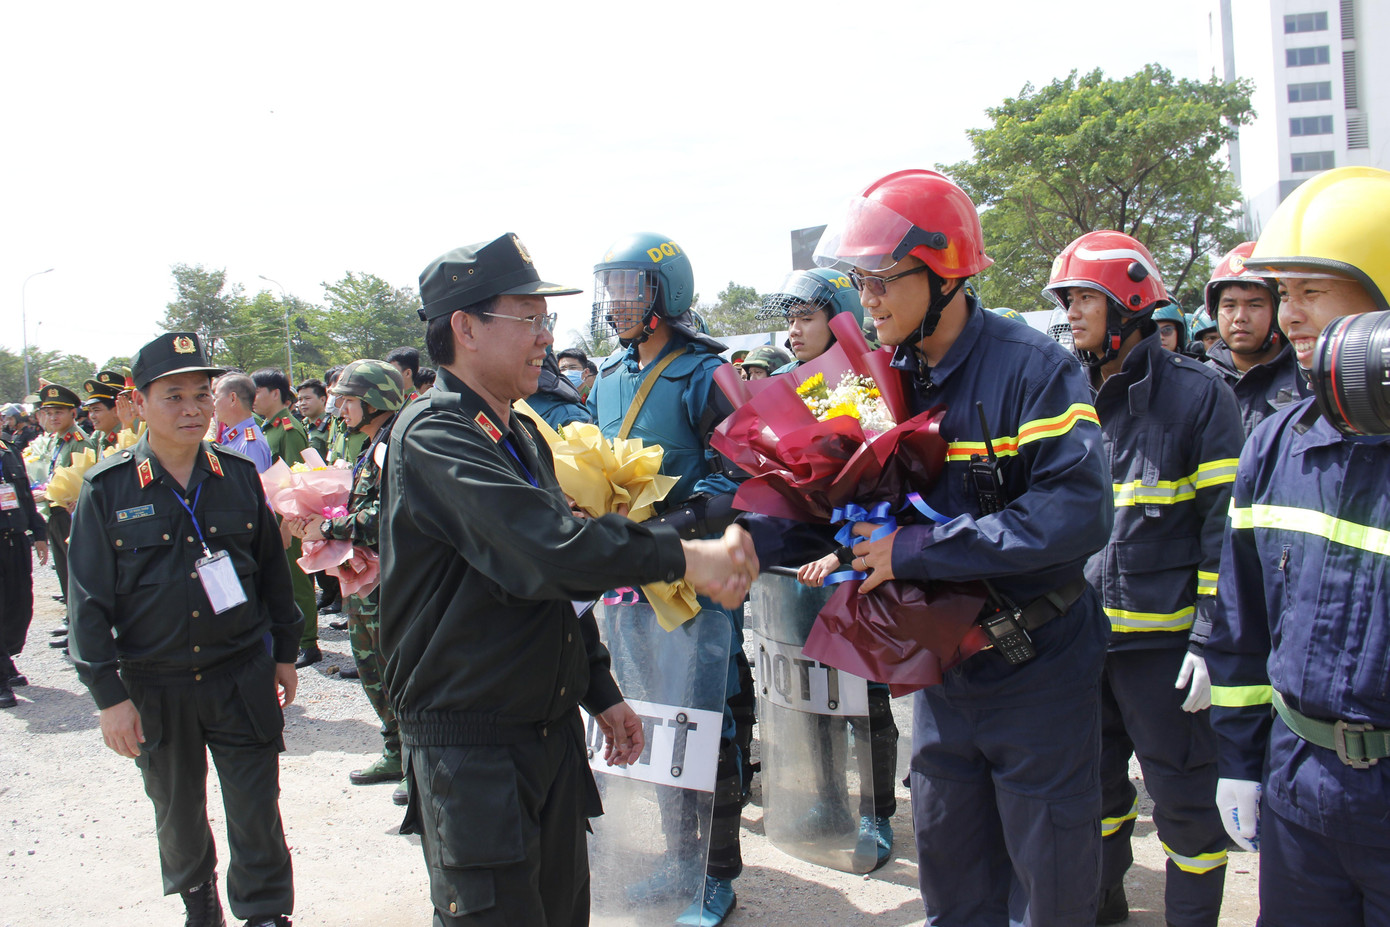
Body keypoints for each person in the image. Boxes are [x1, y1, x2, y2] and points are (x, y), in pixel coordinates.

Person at [380, 232, 757, 927]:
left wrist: (599, 688)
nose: (545, 337)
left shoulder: (513, 431)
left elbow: (556, 585)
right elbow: (548, 550)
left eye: (546, 320)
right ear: (464, 327)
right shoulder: (437, 436)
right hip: (475, 745)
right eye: (528, 319)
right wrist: (685, 556)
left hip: (543, 730)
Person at [808, 169, 1113, 925]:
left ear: (944, 274)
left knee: (1050, 889)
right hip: (943, 676)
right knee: (951, 879)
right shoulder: (879, 378)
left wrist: (914, 550)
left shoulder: (1035, 369)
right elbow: (843, 491)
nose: (866, 298)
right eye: (858, 281)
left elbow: (1075, 516)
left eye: (882, 280)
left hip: (1037, 667)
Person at [1206, 166, 1390, 926]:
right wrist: (1241, 763)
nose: (1291, 315)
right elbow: (1243, 621)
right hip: (1298, 782)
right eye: (1284, 293)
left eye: (1311, 291)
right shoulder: (1277, 442)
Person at [67, 332, 300, 927]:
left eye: (202, 393)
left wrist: (285, 652)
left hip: (240, 671)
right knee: (177, 810)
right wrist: (108, 698)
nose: (193, 407)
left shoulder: (240, 475)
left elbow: (271, 573)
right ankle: (200, 904)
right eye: (174, 396)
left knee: (255, 804)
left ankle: (267, 913)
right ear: (137, 403)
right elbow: (87, 604)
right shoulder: (108, 487)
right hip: (156, 681)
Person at [1044, 230, 1241, 927]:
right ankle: (1104, 910)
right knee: (1093, 799)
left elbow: (1225, 531)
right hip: (1080, 645)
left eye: (1082, 298)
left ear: (1128, 302)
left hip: (1165, 656)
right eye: (1065, 299)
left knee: (1187, 810)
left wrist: (1211, 641)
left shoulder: (1199, 397)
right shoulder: (1062, 391)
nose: (1069, 312)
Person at [589, 231, 750, 927]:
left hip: (691, 581)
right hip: (629, 585)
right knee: (650, 719)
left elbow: (741, 476)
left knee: (707, 722)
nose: (616, 303)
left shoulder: (710, 374)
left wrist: (675, 521)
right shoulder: (605, 376)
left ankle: (717, 872)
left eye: (630, 287)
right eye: (611, 287)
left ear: (665, 293)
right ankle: (675, 859)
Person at [758, 265, 900, 866]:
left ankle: (876, 813)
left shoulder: (869, 384)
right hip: (795, 572)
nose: (793, 331)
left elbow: (894, 484)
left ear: (838, 316)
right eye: (789, 319)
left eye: (806, 317)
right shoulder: (784, 386)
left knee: (865, 699)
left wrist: (842, 550)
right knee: (807, 692)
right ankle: (828, 801)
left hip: (852, 565)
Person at [290, 359, 406, 799]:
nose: (340, 410)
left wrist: (332, 528)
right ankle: (395, 750)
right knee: (369, 665)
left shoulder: (394, 443)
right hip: (366, 579)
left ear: (373, 399)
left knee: (393, 671)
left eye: (348, 401)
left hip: (388, 583)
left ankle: (416, 765)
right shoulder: (374, 442)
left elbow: (391, 513)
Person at [1200, 242, 1309, 438]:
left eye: (1254, 305)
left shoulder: (1309, 382)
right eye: (1229, 305)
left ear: (1277, 312)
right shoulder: (1198, 385)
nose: (1240, 317)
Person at [251, 367, 321, 668]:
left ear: (275, 393)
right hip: (271, 516)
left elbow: (297, 477)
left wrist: (287, 523)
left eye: (257, 392)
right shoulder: (267, 429)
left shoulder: (288, 429)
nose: (252, 399)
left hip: (288, 519)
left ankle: (308, 642)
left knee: (297, 579)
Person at [23, 383, 88, 635]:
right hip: (53, 512)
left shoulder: (78, 440)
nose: (53, 417)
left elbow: (80, 476)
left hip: (69, 513)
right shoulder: (54, 440)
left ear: (73, 413)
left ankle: (81, 625)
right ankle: (72, 619)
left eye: (59, 411)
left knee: (77, 571)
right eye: (49, 412)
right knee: (63, 569)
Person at [0, 430, 47, 708]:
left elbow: (24, 494)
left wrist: (38, 530)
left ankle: (6, 655)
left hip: (15, 540)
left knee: (19, 606)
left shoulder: (8, 449)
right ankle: (1, 677)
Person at [213, 373, 273, 473]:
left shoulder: (250, 443)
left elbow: (252, 486)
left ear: (233, 398)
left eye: (216, 398)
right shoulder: (233, 438)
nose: (213, 404)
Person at [526, 348, 595, 430]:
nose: (567, 372)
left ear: (586, 372)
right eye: (563, 369)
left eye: (572, 368)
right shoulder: (521, 405)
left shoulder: (593, 399)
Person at [83, 370, 128, 453]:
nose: (92, 416)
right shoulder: (100, 434)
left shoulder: (129, 434)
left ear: (116, 410)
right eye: (90, 411)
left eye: (96, 410)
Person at [295, 378, 331, 456]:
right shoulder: (301, 425)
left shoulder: (330, 425)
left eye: (307, 398)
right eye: (300, 399)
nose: (302, 403)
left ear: (322, 399)